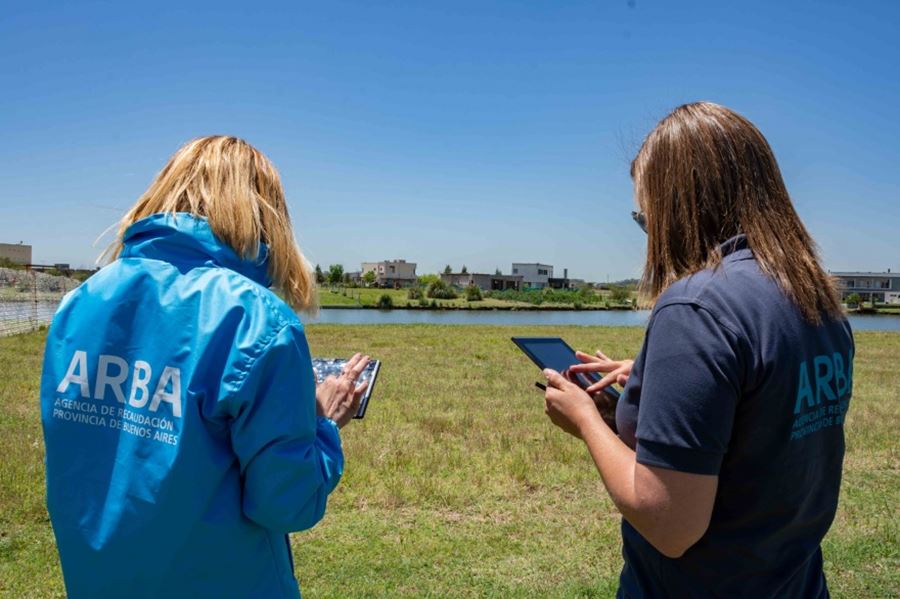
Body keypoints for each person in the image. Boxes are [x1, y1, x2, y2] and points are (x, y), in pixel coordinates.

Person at [542, 102, 854, 598]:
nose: (648, 235)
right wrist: (652, 376)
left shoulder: (695, 307)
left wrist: (585, 419)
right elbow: (762, 406)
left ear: (681, 207)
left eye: (646, 217)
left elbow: (670, 524)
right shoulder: (815, 298)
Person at [40, 136, 369, 597]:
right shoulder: (257, 318)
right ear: (262, 212)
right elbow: (287, 504)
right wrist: (323, 424)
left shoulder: (80, 303)